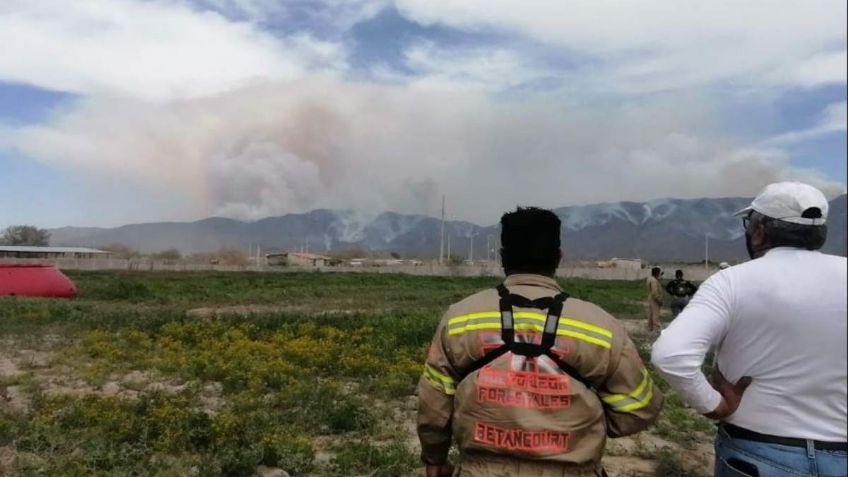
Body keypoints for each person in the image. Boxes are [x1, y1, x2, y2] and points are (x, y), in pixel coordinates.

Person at [417, 207, 663, 477]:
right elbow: (640, 407)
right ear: (558, 256)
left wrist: (435, 457)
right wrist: (582, 427)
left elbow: (433, 407)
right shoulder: (601, 326)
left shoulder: (459, 318)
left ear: (502, 257)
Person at [651, 182, 847, 477]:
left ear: (759, 231)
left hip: (756, 452)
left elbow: (671, 355)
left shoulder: (732, 281)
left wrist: (713, 404)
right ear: (820, 232)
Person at [645, 267, 663, 332]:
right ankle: (656, 329)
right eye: (659, 273)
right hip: (654, 299)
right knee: (655, 314)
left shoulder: (650, 279)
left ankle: (650, 328)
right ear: (657, 273)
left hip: (650, 297)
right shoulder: (654, 281)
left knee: (651, 314)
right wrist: (658, 300)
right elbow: (654, 292)